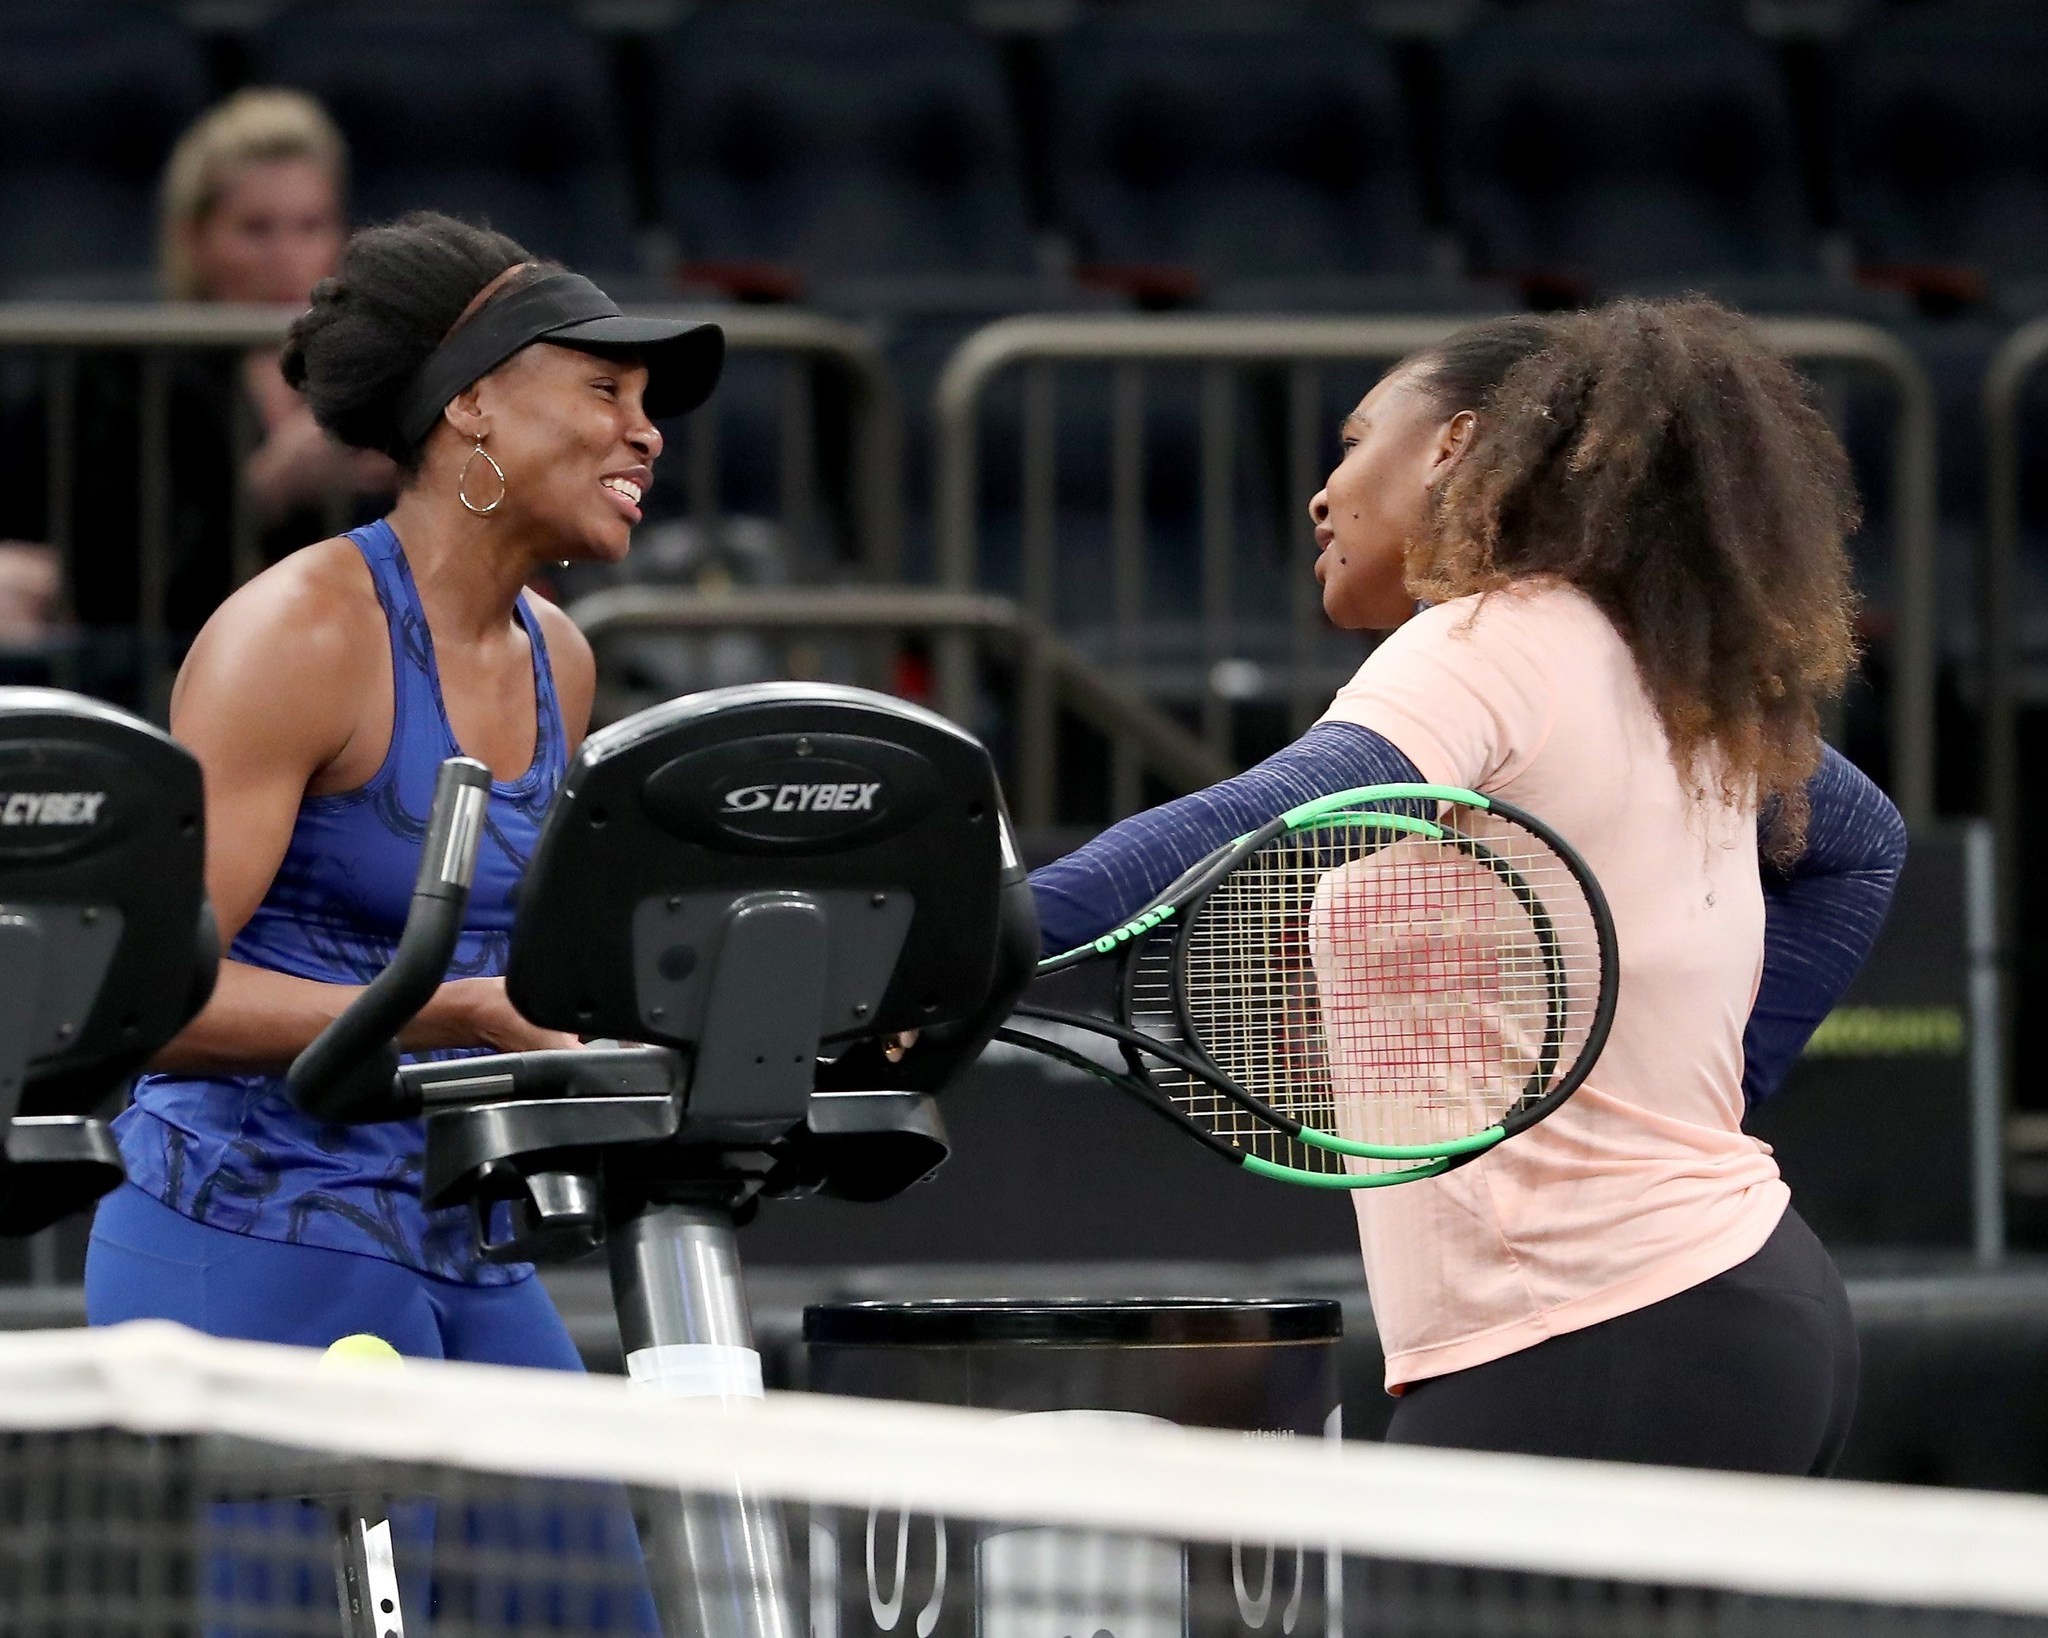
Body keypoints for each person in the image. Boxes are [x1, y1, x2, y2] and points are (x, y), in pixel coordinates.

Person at [1026, 300, 1906, 1475]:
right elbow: (1865, 844)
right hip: (1738, 1297)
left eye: (1354, 441)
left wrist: (984, 930)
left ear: (1452, 448)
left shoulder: (1482, 641)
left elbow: (1264, 818)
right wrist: (1714, 1100)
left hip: (1600, 1326)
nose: (1322, 494)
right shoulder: (1653, 661)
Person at [84, 210, 725, 1374]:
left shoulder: (557, 657)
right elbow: (155, 1008)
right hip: (247, 1223)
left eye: (647, 406)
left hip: (464, 1233)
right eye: (603, 392)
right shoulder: (299, 635)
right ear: (471, 404)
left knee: (584, 1561)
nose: (646, 435)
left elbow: (523, 968)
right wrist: (454, 1011)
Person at [0, 89, 389, 673]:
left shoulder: (361, 367)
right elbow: (116, 589)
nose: (288, 255)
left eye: (311, 226)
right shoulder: (131, 370)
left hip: (347, 668)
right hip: (175, 673)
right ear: (194, 238)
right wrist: (266, 492)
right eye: (256, 229)